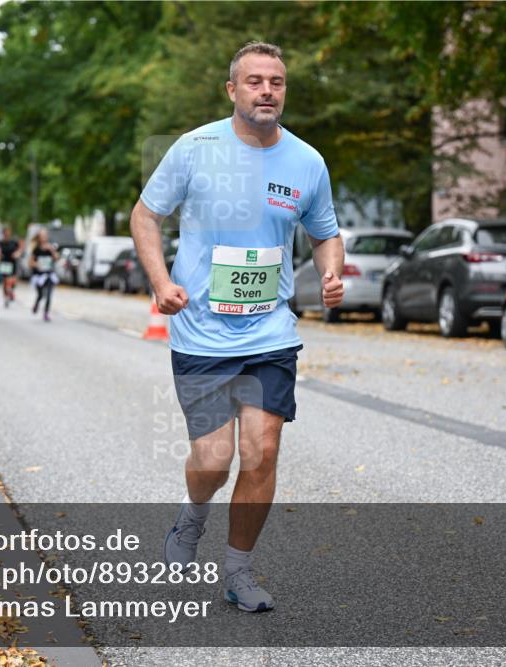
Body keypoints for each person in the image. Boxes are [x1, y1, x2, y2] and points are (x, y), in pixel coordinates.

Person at [130, 42, 345, 613]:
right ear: (233, 90)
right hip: (200, 333)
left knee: (263, 452)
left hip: (270, 333)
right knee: (212, 461)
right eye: (254, 81)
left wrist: (330, 272)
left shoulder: (307, 162)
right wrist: (160, 282)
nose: (267, 90)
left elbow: (326, 232)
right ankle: (190, 518)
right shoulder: (195, 149)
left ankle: (238, 571)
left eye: (276, 81)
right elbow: (145, 216)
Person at [30, 228, 59, 322]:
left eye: (45, 235)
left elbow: (56, 258)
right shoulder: (36, 249)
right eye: (42, 236)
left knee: (49, 295)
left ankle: (46, 313)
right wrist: (36, 264)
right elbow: (30, 263)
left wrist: (52, 250)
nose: (44, 237)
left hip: (49, 274)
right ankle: (36, 304)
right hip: (39, 276)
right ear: (39, 238)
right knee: (41, 294)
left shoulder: (50, 247)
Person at [0, 225, 22, 307]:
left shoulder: (14, 242)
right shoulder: (0, 243)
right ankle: (6, 298)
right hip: (4, 263)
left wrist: (17, 254)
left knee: (13, 281)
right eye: (5, 232)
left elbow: (20, 249)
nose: (7, 234)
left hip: (12, 263)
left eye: (8, 232)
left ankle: (11, 291)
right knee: (5, 282)